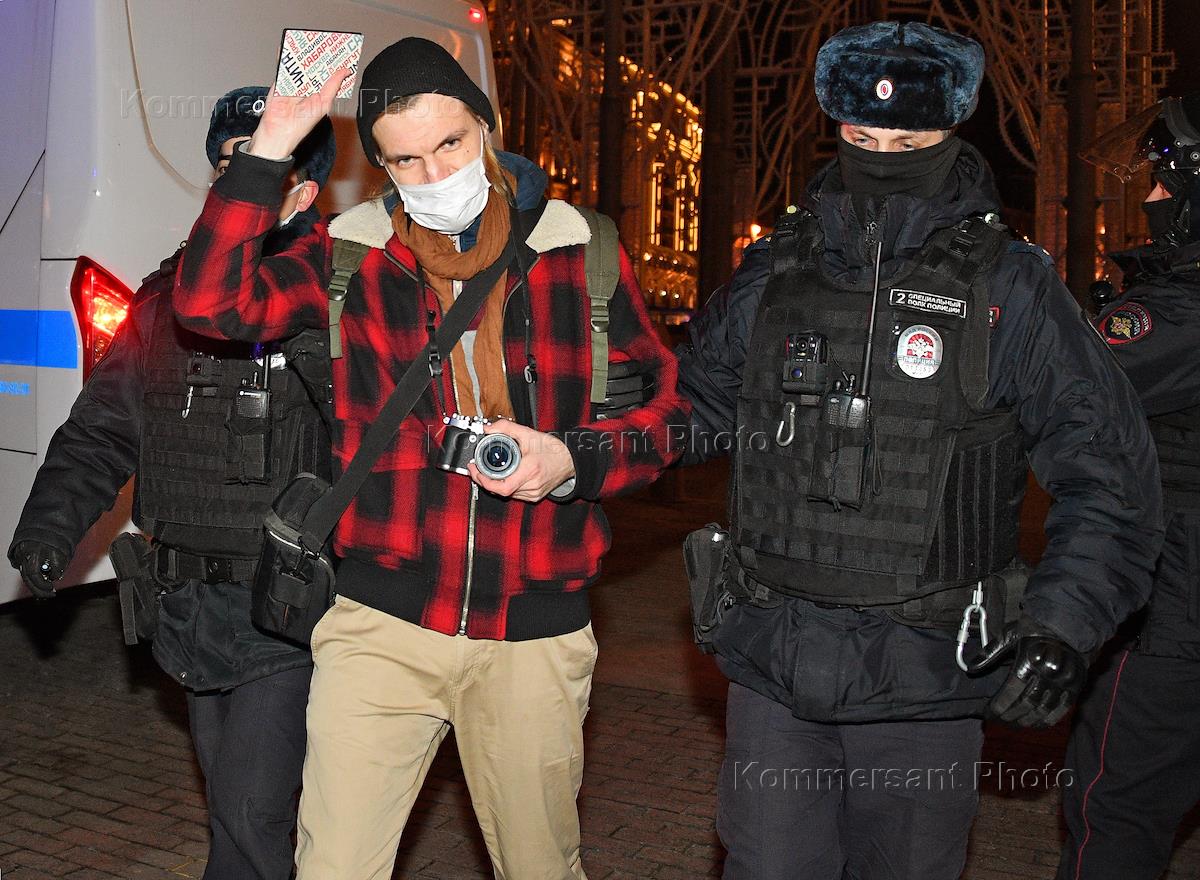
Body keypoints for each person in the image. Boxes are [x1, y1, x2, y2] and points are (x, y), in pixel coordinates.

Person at [170, 37, 687, 880]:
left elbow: (670, 412)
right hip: (379, 625)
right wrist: (270, 148)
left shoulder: (579, 249)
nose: (435, 172)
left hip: (532, 630)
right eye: (405, 159)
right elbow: (207, 303)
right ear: (380, 166)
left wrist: (573, 459)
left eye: (450, 143)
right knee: (333, 867)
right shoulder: (349, 253)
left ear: (486, 127)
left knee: (540, 868)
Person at [675, 21, 1163, 880]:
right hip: (774, 657)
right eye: (862, 139)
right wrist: (583, 440)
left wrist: (1064, 624)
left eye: (909, 143)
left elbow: (1109, 472)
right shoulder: (778, 266)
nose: (883, 158)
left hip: (926, 670)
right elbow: (692, 409)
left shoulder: (1007, 284)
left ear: (951, 133)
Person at [8, 86, 335, 879]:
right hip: (190, 607)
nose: (238, 176)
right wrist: (49, 528)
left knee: (251, 816)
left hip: (290, 610)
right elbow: (103, 427)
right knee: (231, 809)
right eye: (227, 163)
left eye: (261, 163)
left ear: (304, 192)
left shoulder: (332, 292)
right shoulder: (165, 297)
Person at [1056, 94, 1200, 880]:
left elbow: (1064, 388)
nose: (1151, 195)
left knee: (1114, 809)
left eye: (1164, 179)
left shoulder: (1178, 312)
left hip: (1173, 611)